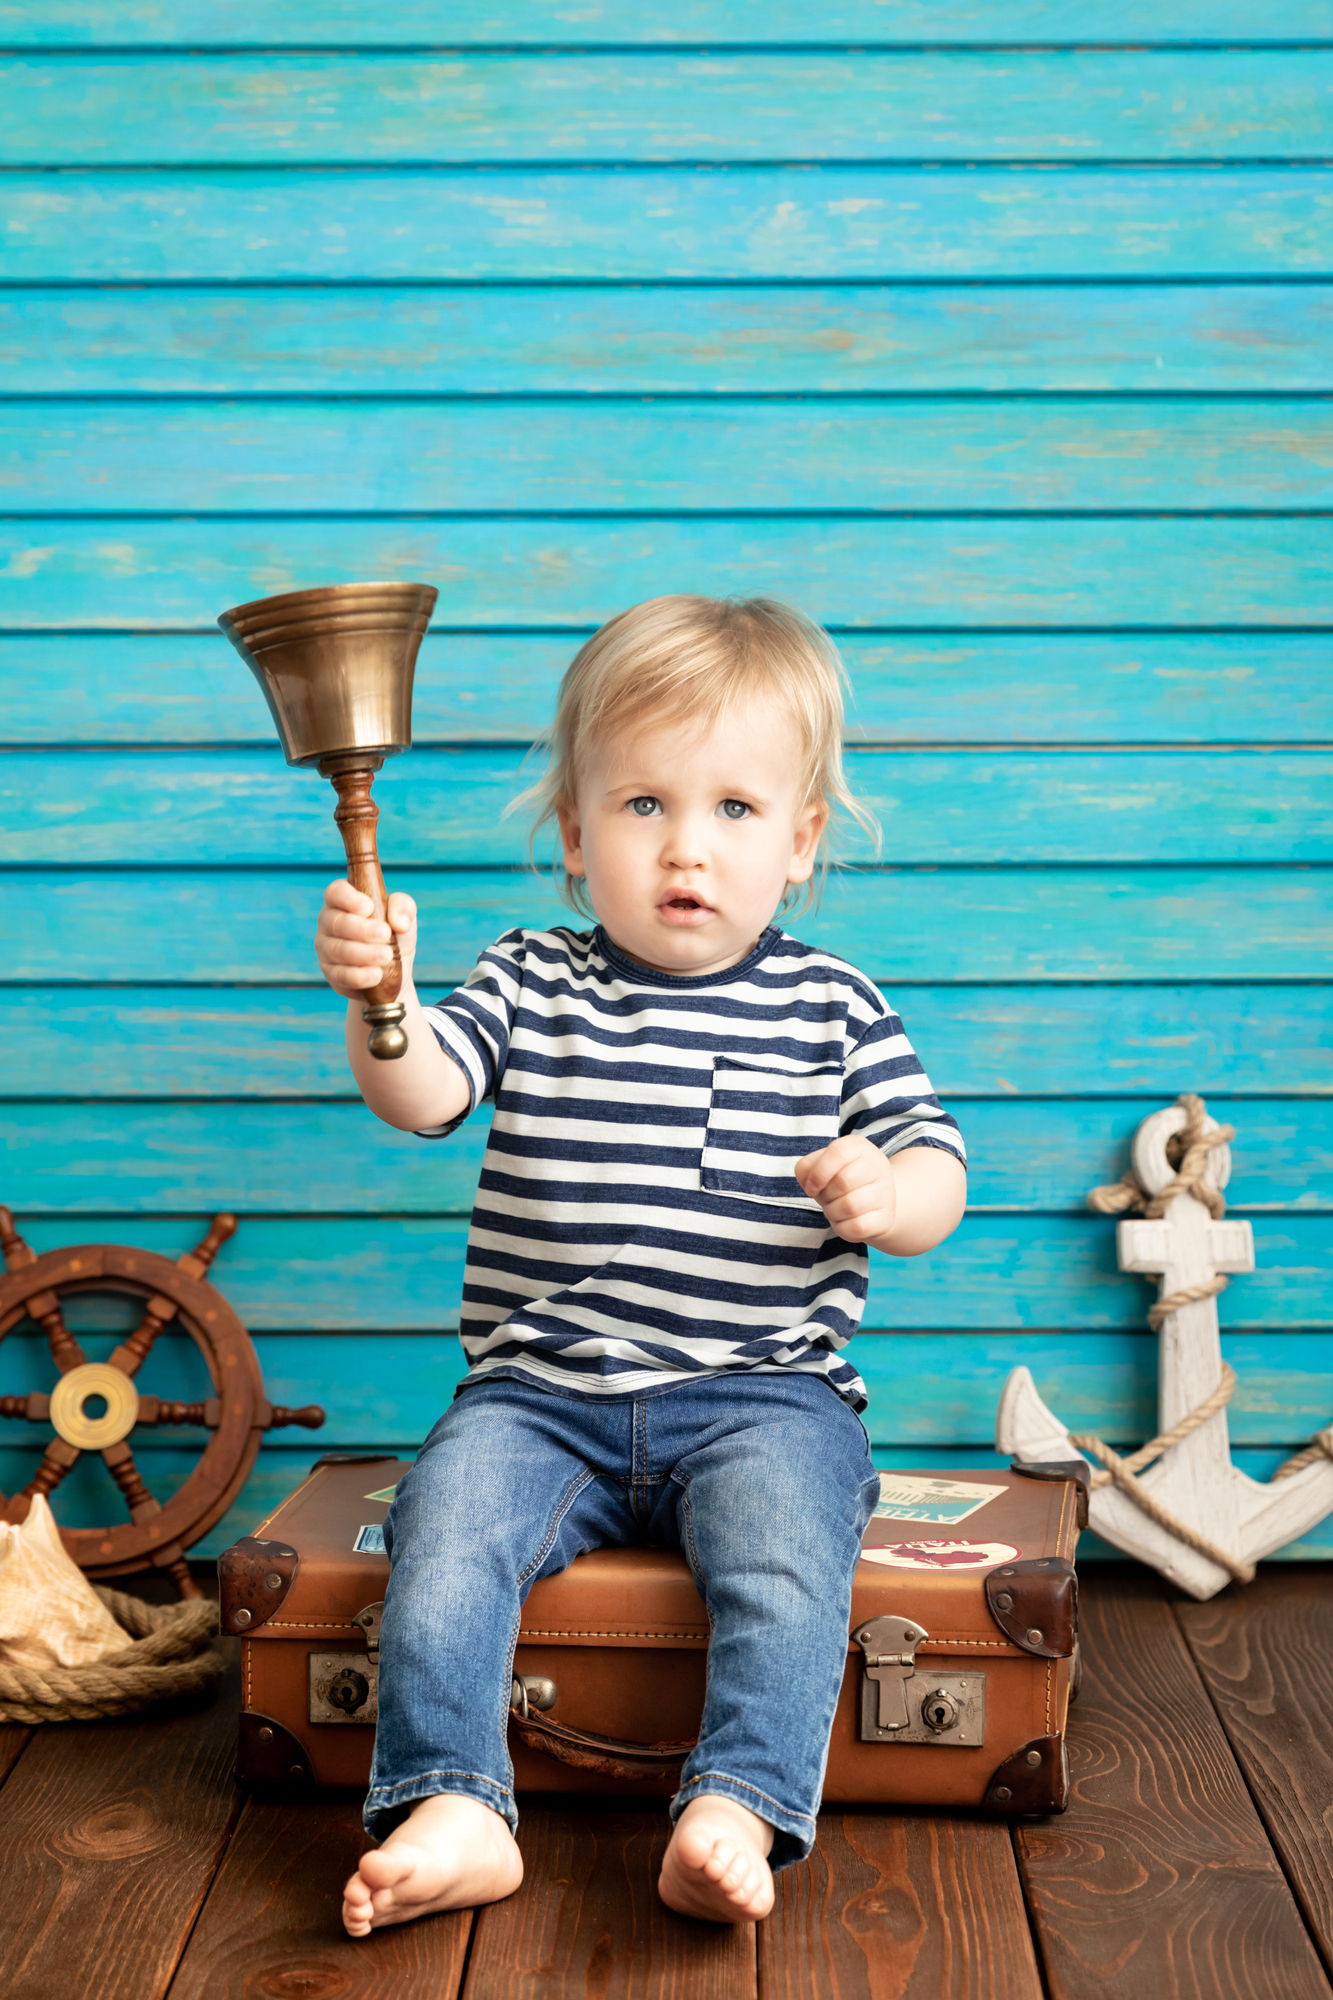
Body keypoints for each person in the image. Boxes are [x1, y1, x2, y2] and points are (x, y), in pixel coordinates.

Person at [315, 595, 967, 1934]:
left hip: (761, 1393)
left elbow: (938, 1175)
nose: (686, 847)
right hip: (537, 1394)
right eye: (641, 805)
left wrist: (886, 1190)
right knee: (442, 1534)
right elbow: (422, 1095)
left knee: (786, 1558)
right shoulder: (529, 979)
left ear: (797, 845)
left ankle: (735, 1797)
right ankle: (452, 1799)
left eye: (733, 810)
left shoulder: (833, 1006)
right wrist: (382, 1005)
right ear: (573, 832)